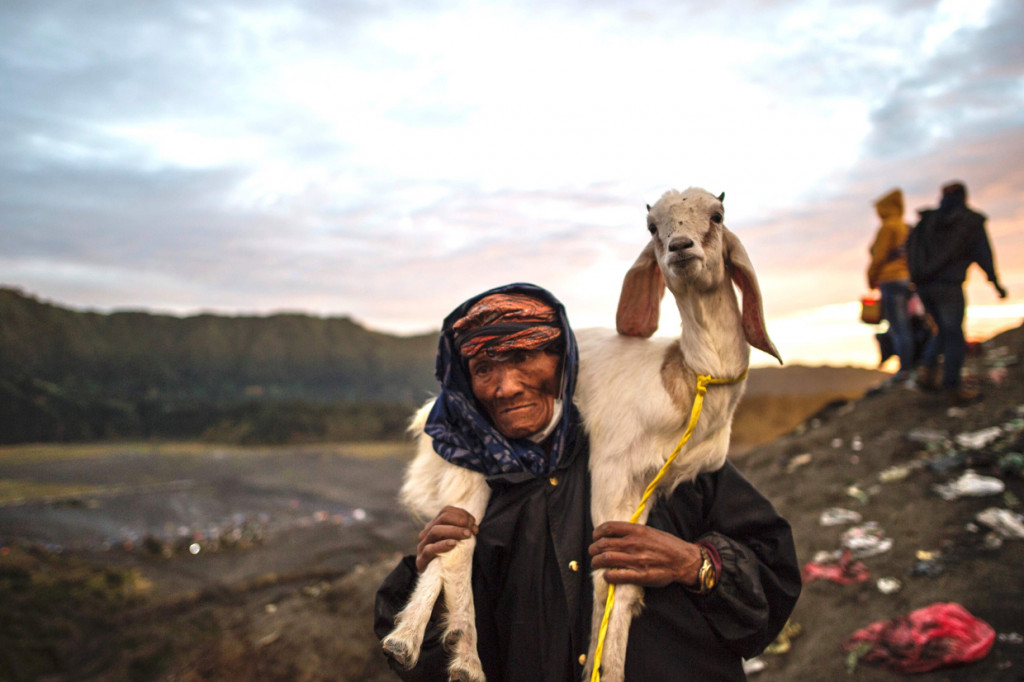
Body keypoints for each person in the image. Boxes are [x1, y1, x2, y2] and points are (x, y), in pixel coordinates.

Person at [374, 283, 801, 681]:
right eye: (484, 368)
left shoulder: (657, 450)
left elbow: (774, 579)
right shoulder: (477, 492)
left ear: (564, 362)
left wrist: (696, 565)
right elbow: (434, 667)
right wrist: (428, 568)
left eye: (523, 357)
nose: (505, 388)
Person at [909, 182, 1008, 401]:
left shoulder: (927, 221)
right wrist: (995, 283)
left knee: (943, 330)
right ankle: (951, 387)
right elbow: (984, 255)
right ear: (964, 196)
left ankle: (928, 373)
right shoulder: (969, 221)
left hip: (924, 286)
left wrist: (916, 282)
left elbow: (913, 253)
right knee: (953, 333)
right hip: (948, 285)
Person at [867, 188, 915, 382]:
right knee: (905, 324)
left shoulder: (887, 228)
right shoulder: (905, 227)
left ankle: (905, 369)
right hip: (906, 280)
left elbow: (879, 256)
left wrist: (871, 277)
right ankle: (909, 365)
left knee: (897, 326)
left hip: (890, 280)